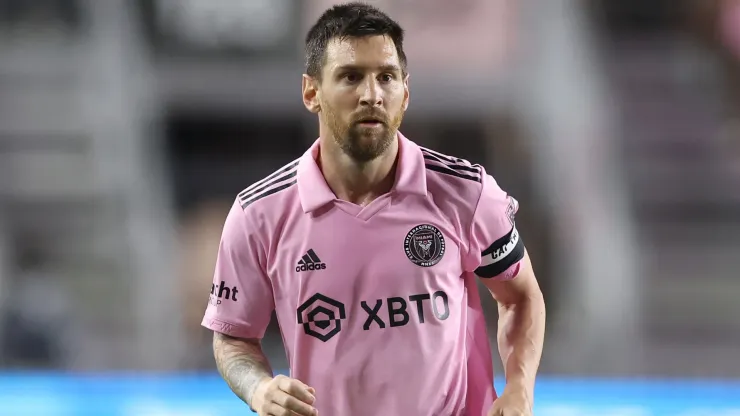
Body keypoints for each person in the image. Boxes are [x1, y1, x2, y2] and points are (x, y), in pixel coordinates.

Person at [201, 3, 546, 415]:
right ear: (311, 92)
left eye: (386, 77)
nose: (372, 95)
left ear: (405, 93)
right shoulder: (258, 215)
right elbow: (233, 335)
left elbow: (521, 297)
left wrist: (520, 387)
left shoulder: (466, 193)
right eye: (351, 77)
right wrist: (258, 388)